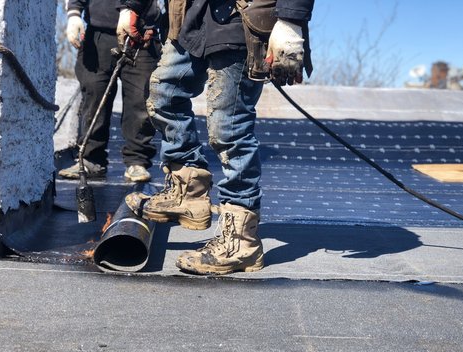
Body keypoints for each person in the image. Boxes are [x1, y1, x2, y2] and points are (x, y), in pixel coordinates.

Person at [118, 0, 314, 274]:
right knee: (163, 95)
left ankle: (240, 243)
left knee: (228, 128)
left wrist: (290, 21)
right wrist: (134, 6)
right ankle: (189, 195)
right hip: (191, 15)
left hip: (242, 16)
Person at [59, 0, 161, 182]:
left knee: (140, 99)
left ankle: (137, 161)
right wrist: (74, 13)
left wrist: (129, 9)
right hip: (97, 35)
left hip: (141, 34)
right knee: (93, 96)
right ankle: (90, 159)